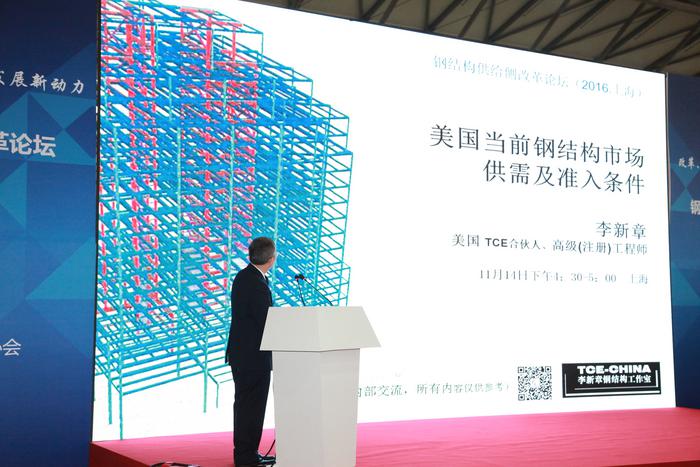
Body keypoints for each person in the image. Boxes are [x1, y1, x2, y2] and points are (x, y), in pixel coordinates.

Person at [226, 236, 277, 466]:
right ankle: (246, 456)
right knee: (251, 407)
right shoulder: (256, 283)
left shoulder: (244, 276)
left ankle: (246, 453)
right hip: (253, 357)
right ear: (271, 259)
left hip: (244, 356)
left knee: (246, 406)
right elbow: (266, 320)